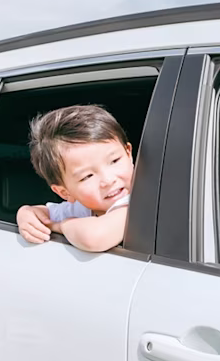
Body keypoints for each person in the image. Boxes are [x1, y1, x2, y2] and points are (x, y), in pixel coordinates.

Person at [16, 104, 134, 252]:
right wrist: (25, 213)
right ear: (65, 193)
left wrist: (60, 226)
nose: (108, 180)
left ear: (128, 153)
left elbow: (94, 238)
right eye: (87, 176)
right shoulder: (84, 207)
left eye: (114, 161)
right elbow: (41, 213)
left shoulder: (137, 203)